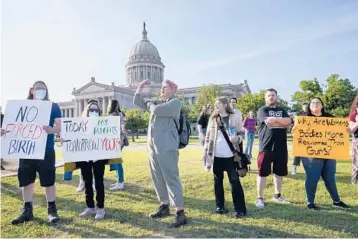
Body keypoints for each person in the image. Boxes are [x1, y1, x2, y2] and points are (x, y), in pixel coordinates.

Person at [133, 79, 187, 228]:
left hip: (167, 145)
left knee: (171, 177)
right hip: (153, 146)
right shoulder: (158, 103)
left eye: (165, 87)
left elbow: (155, 110)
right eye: (162, 87)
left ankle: (180, 212)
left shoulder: (175, 102)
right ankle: (164, 205)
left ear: (173, 89)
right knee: (157, 177)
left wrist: (150, 103)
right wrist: (139, 89)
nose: (162, 90)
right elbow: (138, 102)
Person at [8, 82, 62, 224]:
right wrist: (5, 131)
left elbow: (59, 126)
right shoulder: (21, 107)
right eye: (38, 88)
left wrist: (52, 130)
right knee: (27, 181)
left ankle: (52, 210)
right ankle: (27, 210)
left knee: (49, 181)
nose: (40, 91)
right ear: (32, 90)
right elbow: (12, 127)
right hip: (27, 149)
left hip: (46, 149)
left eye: (43, 89)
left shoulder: (53, 106)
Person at [292, 97, 351, 210]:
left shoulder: (329, 117)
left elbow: (341, 130)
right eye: (312, 102)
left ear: (322, 105)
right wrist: (294, 130)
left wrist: (346, 130)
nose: (315, 104)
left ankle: (336, 201)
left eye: (317, 102)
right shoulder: (304, 118)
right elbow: (296, 134)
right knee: (312, 178)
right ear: (309, 106)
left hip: (329, 154)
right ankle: (310, 202)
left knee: (330, 178)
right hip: (311, 155)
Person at [203, 97, 247, 218]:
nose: (215, 106)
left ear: (225, 104)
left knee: (234, 182)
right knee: (217, 182)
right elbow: (207, 137)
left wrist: (237, 138)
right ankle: (219, 207)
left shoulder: (236, 118)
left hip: (231, 156)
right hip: (216, 156)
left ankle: (240, 210)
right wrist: (205, 152)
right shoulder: (213, 119)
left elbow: (242, 133)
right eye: (215, 104)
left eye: (218, 104)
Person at [256, 89, 292, 208]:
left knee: (279, 173)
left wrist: (276, 120)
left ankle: (277, 195)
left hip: (281, 147)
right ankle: (259, 198)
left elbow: (289, 122)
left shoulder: (282, 110)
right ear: (265, 98)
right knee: (262, 173)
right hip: (266, 147)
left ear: (277, 97)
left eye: (273, 95)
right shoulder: (262, 110)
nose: (271, 97)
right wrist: (282, 123)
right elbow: (268, 123)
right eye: (268, 95)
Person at [107, 99, 128, 190]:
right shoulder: (121, 114)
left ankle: (120, 182)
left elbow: (121, 129)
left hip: (117, 141)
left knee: (117, 161)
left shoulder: (113, 115)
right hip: (119, 140)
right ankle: (119, 181)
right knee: (116, 160)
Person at [291, 102, 308, 175]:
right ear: (302, 107)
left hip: (309, 135)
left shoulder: (311, 114)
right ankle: (294, 168)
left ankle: (308, 169)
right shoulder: (298, 114)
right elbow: (294, 123)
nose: (306, 108)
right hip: (299, 135)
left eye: (307, 107)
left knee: (308, 152)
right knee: (298, 152)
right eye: (304, 107)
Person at [348, 95, 358, 185]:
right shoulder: (353, 115)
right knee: (356, 162)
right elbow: (350, 131)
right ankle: (355, 181)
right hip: (357, 140)